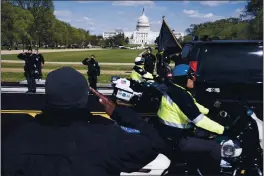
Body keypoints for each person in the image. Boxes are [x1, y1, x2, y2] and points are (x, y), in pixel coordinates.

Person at [2, 67, 166, 176]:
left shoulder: (15, 138)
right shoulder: (107, 138)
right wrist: (117, 112)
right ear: (83, 98)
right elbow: (154, 141)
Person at [155, 64, 228, 174]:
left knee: (204, 135)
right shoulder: (181, 95)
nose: (194, 79)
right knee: (216, 146)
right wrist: (223, 129)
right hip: (178, 140)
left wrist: (210, 111)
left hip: (168, 135)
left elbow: (192, 106)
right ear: (184, 78)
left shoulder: (174, 89)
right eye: (191, 76)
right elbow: (199, 120)